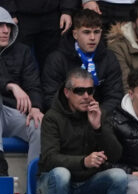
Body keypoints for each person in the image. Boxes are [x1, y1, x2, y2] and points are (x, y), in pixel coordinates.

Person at [38, 68, 128, 194]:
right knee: (61, 173)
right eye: (79, 91)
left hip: (86, 184)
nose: (86, 96)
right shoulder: (52, 117)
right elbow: (49, 159)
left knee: (119, 176)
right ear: (67, 92)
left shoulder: (98, 114)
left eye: (90, 90)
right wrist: (83, 162)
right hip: (53, 184)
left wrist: (98, 128)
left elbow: (116, 155)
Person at [42, 9, 124, 115]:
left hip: (100, 117)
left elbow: (115, 96)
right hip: (67, 118)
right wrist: (75, 117)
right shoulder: (57, 59)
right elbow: (50, 97)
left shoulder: (109, 58)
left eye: (96, 32)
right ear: (75, 34)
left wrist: (99, 113)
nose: (92, 37)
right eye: (86, 32)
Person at [0, 7, 43, 163]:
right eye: (0, 26)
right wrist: (12, 86)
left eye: (8, 26)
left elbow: (33, 83)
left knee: (38, 125)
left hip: (15, 112)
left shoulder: (22, 51)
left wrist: (36, 107)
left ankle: (34, 183)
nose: (5, 30)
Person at [2, 0, 72, 62]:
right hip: (21, 17)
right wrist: (10, 12)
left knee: (51, 58)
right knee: (18, 57)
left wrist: (67, 10)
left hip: (52, 15)